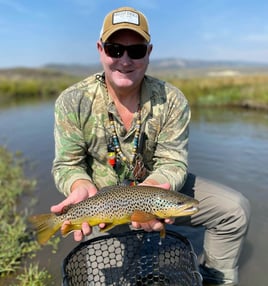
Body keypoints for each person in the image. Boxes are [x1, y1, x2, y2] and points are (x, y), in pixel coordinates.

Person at [51, 6, 250, 285]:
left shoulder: (172, 99)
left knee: (234, 210)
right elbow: (67, 164)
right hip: (102, 201)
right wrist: (79, 185)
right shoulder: (73, 101)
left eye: (136, 50)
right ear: (100, 49)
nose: (125, 59)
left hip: (162, 192)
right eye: (115, 49)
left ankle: (214, 279)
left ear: (149, 52)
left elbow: (173, 162)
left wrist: (157, 187)